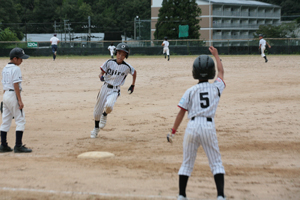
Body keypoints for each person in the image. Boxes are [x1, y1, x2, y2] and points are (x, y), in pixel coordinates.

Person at [167, 46, 226, 200]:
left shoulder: (190, 91)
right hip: (208, 126)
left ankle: (181, 195)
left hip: (192, 127)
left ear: (194, 72)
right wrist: (216, 55)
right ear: (211, 72)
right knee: (216, 163)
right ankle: (220, 196)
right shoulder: (215, 88)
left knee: (187, 163)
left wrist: (173, 131)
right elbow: (221, 73)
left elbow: (181, 113)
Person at [90, 43, 137, 138]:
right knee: (96, 111)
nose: (121, 56)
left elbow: (134, 72)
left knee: (109, 106)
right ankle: (96, 128)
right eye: (119, 53)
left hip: (115, 90)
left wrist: (132, 85)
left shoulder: (127, 67)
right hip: (105, 87)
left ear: (126, 56)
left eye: (123, 54)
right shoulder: (109, 62)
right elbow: (101, 73)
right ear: (116, 53)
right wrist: (101, 77)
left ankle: (105, 114)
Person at [0, 47, 32, 153]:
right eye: (20, 58)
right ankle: (18, 146)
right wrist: (20, 100)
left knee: (5, 121)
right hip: (13, 95)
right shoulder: (16, 69)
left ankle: (3, 145)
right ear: (14, 59)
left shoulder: (5, 68)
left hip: (5, 95)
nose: (22, 60)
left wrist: (4, 100)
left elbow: (5, 84)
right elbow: (15, 85)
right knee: (20, 120)